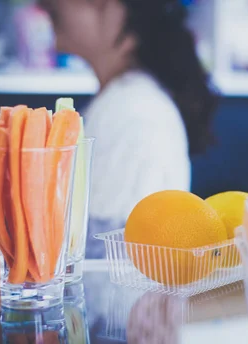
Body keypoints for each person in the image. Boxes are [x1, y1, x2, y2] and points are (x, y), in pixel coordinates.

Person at [39, 0, 218, 258]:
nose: (45, 4)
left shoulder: (131, 109)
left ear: (118, 11)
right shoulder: (125, 101)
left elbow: (105, 256)